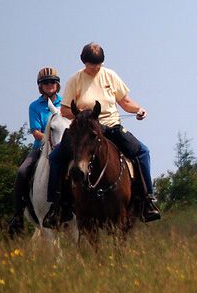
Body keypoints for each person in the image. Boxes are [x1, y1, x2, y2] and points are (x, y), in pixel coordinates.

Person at [43, 43, 161, 226]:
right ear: (84, 62)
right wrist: (83, 114)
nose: (95, 68)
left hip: (111, 125)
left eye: (98, 64)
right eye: (91, 64)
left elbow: (125, 101)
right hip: (84, 128)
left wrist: (139, 109)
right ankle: (58, 207)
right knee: (56, 158)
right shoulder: (75, 80)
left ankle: (145, 201)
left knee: (142, 152)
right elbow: (65, 110)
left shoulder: (110, 76)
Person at [8, 67, 64, 235]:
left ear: (57, 84)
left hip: (64, 149)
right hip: (42, 147)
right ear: (40, 86)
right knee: (23, 171)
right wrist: (49, 141)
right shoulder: (34, 106)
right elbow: (35, 132)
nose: (49, 85)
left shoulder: (66, 103)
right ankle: (18, 216)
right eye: (45, 82)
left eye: (52, 81)